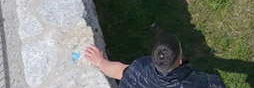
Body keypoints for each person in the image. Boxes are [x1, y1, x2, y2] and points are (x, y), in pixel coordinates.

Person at [82, 34, 226, 88]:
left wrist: (100, 62)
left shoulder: (139, 70)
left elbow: (119, 70)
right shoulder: (206, 83)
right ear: (179, 61)